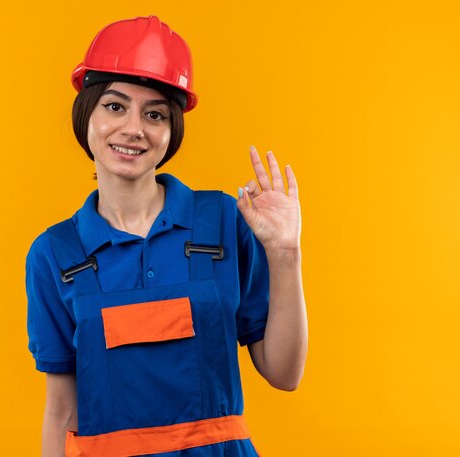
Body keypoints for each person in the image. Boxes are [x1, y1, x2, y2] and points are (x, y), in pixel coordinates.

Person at [26, 15, 307, 457]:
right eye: (115, 106)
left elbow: (284, 374)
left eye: (154, 113)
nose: (134, 128)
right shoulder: (56, 254)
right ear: (88, 115)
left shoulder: (223, 223)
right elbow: (61, 411)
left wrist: (285, 252)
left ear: (172, 129)